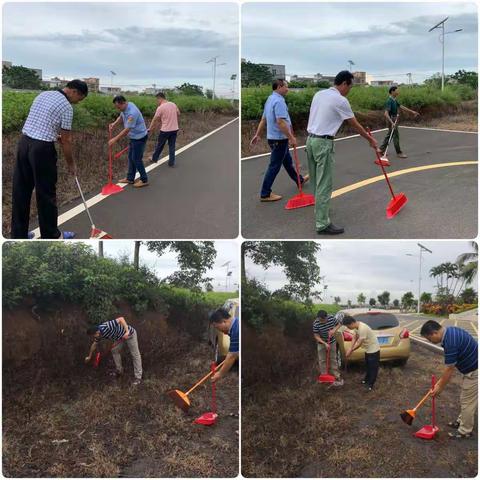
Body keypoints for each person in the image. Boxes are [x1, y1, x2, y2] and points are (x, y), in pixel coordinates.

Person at [11, 79, 89, 239]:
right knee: (46, 194)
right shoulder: (67, 107)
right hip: (42, 150)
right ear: (74, 92)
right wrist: (71, 164)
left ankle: (18, 235)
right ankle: (52, 235)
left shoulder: (43, 94)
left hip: (24, 144)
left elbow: (41, 123)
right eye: (79, 99)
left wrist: (54, 135)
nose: (77, 103)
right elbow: (66, 140)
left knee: (21, 191)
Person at [306, 71, 378, 235]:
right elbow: (354, 124)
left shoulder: (319, 94)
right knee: (324, 183)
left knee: (316, 180)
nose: (350, 90)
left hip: (310, 140)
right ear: (344, 83)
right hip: (323, 142)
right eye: (350, 86)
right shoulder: (340, 100)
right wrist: (370, 140)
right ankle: (322, 224)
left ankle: (320, 212)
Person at [250, 79, 308, 202]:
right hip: (279, 139)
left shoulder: (270, 99)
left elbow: (263, 120)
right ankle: (265, 194)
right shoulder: (279, 101)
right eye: (286, 87)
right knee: (274, 166)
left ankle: (300, 180)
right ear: (280, 87)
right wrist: (291, 137)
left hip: (273, 138)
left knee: (287, 162)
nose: (287, 89)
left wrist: (257, 134)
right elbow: (280, 122)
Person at [420, 320, 477, 439]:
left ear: (435, 333)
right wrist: (439, 384)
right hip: (472, 369)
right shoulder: (450, 331)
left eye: (429, 339)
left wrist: (439, 388)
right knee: (466, 399)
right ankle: (461, 421)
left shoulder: (450, 341)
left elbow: (449, 369)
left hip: (475, 372)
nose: (431, 342)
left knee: (467, 401)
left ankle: (465, 431)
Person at [85, 316, 142, 385]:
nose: (94, 337)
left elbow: (121, 319)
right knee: (114, 350)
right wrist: (89, 356)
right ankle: (119, 371)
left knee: (135, 355)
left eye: (94, 336)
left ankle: (138, 378)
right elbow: (94, 345)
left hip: (130, 335)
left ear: (97, 332)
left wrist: (127, 332)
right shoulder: (99, 335)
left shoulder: (106, 326)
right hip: (120, 338)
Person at [109, 96, 149, 188]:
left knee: (136, 159)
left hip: (140, 137)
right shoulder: (126, 107)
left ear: (123, 103)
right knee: (131, 157)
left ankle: (144, 179)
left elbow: (127, 129)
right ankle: (130, 178)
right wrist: (114, 124)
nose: (118, 109)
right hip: (133, 137)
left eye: (118, 107)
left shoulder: (132, 113)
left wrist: (115, 139)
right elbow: (121, 116)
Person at [379, 85, 420, 158]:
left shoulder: (394, 100)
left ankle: (381, 149)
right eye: (397, 90)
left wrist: (412, 112)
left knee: (390, 135)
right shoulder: (389, 101)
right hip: (391, 119)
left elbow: (401, 106)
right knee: (395, 136)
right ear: (392, 91)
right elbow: (386, 114)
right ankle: (399, 152)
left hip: (394, 119)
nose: (398, 91)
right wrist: (392, 122)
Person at [342, 314, 380, 391]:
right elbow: (355, 337)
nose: (348, 328)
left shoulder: (363, 328)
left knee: (373, 368)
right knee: (368, 366)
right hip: (368, 349)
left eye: (348, 326)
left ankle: (370, 385)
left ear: (352, 323)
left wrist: (351, 350)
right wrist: (350, 348)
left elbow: (359, 343)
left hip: (373, 350)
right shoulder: (356, 327)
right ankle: (366, 380)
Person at [148, 92, 180, 167]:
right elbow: (178, 113)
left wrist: (150, 128)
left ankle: (154, 158)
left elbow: (155, 119)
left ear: (160, 98)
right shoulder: (173, 104)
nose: (157, 101)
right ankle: (171, 163)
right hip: (174, 129)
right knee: (172, 146)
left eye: (157, 100)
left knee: (160, 145)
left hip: (165, 130)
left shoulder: (160, 107)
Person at [313, 310, 343, 386]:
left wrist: (334, 330)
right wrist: (324, 343)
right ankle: (324, 375)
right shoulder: (316, 323)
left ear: (327, 317)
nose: (322, 322)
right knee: (322, 359)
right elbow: (316, 336)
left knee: (333, 358)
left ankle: (336, 375)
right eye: (320, 320)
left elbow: (339, 324)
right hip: (321, 342)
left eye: (323, 320)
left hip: (332, 341)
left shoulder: (332, 318)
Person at [209, 308, 239, 382]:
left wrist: (220, 374)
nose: (218, 330)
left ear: (224, 321)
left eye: (217, 327)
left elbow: (232, 356)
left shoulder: (236, 330)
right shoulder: (236, 325)